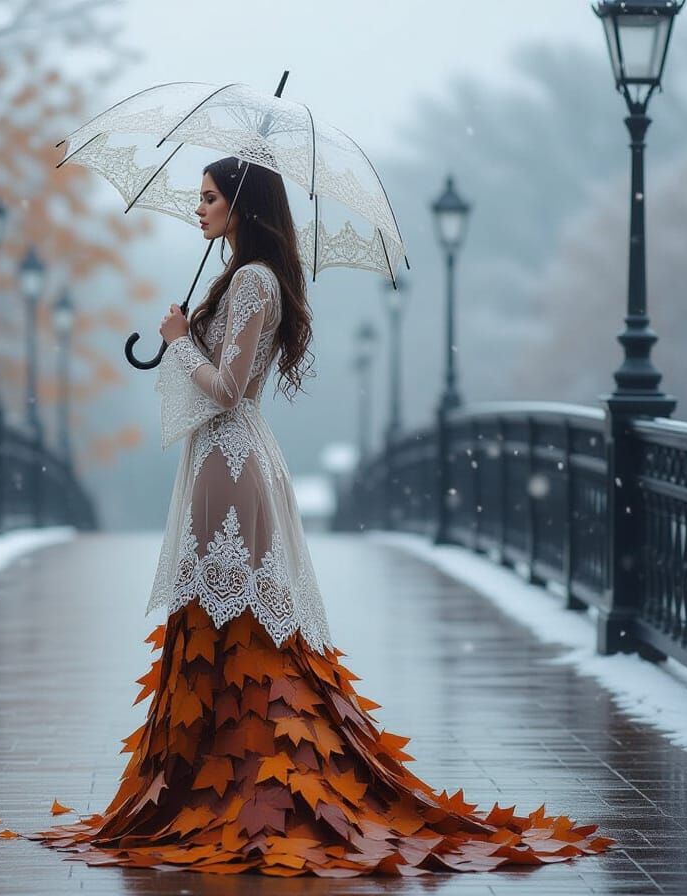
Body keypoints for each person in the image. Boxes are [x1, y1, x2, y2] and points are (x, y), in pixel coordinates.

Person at [30, 157, 613, 876]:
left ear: (241, 204)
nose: (198, 208)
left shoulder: (250, 281)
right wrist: (189, 335)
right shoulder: (247, 277)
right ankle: (237, 777)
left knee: (230, 624)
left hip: (231, 464)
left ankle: (244, 785)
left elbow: (229, 390)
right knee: (226, 621)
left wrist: (181, 341)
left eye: (209, 197)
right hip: (228, 463)